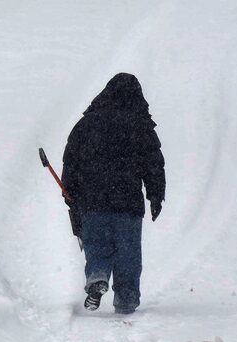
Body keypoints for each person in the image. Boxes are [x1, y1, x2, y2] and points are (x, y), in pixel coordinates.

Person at [61, 73, 166, 314]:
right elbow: (153, 163)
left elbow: (72, 159)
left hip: (92, 201)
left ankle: (97, 274)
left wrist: (70, 192)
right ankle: (127, 297)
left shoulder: (87, 124)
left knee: (96, 244)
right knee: (128, 251)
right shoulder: (140, 125)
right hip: (127, 201)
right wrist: (155, 195)